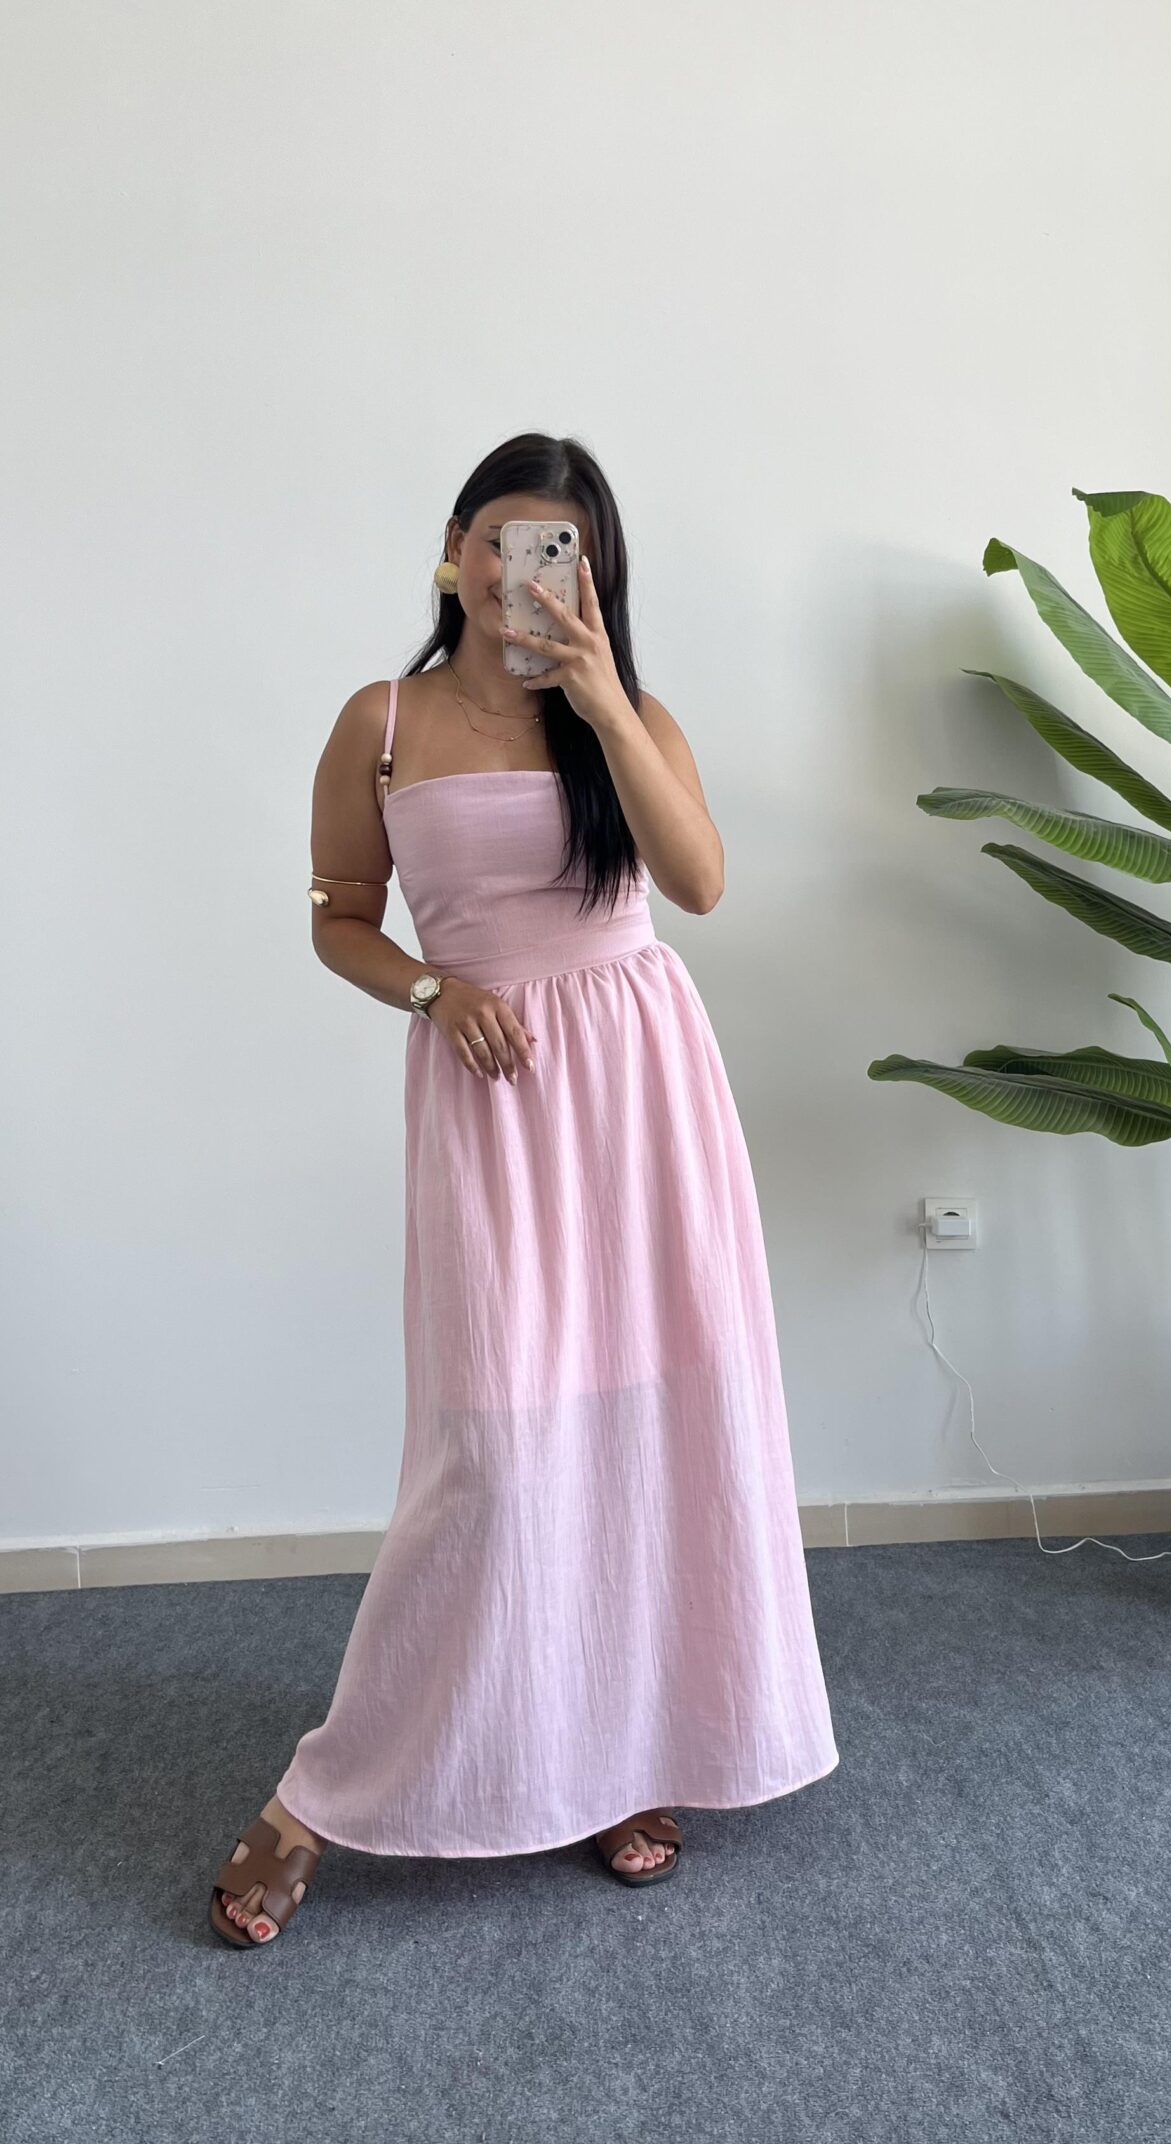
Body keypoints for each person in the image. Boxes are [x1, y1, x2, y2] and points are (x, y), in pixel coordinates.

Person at [209, 431, 839, 1946]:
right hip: (491, 1100)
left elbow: (699, 886)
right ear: (454, 551)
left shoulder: (633, 717)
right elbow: (339, 918)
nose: (522, 570)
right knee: (492, 1453)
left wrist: (604, 699)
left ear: (596, 572)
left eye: (560, 546)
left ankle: (625, 1755)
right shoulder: (382, 719)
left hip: (645, 1091)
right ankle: (314, 1800)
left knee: (653, 1427)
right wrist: (435, 991)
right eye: (501, 537)